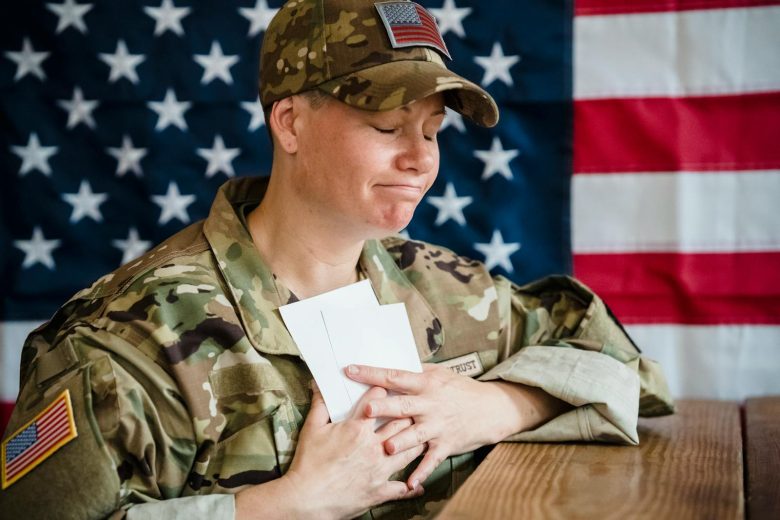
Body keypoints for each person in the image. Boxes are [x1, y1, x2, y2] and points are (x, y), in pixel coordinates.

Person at [0, 1, 674, 518]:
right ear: (290, 123)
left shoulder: (445, 290)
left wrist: (498, 405)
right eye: (386, 127)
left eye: (432, 132)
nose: (420, 160)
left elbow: (624, 365)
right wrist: (281, 505)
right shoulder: (130, 341)